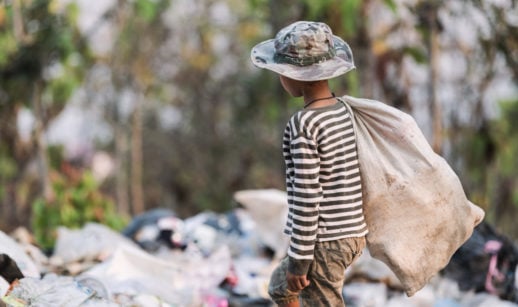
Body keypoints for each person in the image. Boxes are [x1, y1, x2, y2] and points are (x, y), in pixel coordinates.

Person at [250, 21, 368, 306]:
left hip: (325, 239)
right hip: (353, 232)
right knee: (281, 287)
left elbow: (307, 196)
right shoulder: (344, 111)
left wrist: (300, 259)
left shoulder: (304, 124)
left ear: (295, 75)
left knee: (318, 299)